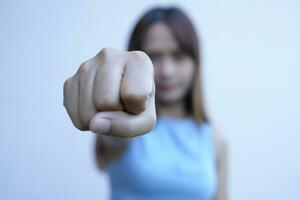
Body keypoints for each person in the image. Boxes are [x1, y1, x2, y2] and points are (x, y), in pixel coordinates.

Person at [63, 6, 227, 200]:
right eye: (154, 57)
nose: (167, 71)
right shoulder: (123, 122)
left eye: (179, 56)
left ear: (195, 62)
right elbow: (112, 138)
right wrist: (105, 87)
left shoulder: (214, 138)